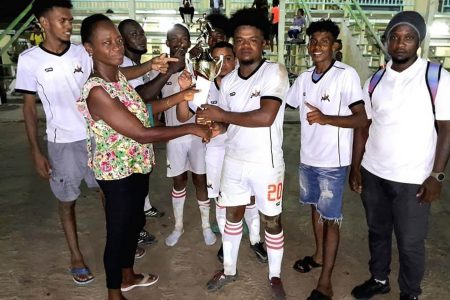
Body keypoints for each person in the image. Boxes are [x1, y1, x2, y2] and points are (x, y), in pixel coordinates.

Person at [15, 0, 172, 286]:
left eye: (70, 20)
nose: (68, 25)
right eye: (62, 20)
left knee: (111, 198)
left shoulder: (82, 52)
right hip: (62, 141)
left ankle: (120, 251)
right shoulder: (30, 60)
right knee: (67, 200)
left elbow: (117, 74)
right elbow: (27, 107)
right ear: (43, 22)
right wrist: (35, 150)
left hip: (98, 137)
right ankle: (77, 256)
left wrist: (151, 65)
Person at [78, 14, 209, 300]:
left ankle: (128, 275)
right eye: (106, 43)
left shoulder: (118, 77)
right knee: (119, 232)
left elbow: (146, 109)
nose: (115, 47)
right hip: (117, 174)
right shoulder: (98, 90)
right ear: (90, 48)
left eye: (117, 41)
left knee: (133, 224)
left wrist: (181, 96)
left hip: (136, 165)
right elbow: (142, 133)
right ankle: (115, 293)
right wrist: (191, 128)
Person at [349, 11, 450, 300]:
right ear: (387, 41)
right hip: (374, 172)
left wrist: (437, 176)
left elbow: (446, 130)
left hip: (413, 178)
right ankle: (379, 279)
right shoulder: (375, 80)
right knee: (377, 232)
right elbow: (363, 127)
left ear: (418, 41)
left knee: (410, 242)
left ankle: (410, 293)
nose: (400, 43)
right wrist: (356, 168)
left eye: (408, 38)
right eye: (395, 37)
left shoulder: (437, 78)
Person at [197, 8, 289, 299]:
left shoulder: (275, 71)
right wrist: (212, 126)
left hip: (266, 163)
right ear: (234, 45)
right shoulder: (229, 81)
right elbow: (228, 123)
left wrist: (221, 113)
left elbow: (266, 116)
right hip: (234, 160)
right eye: (240, 40)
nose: (245, 45)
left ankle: (274, 276)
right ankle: (230, 269)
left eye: (252, 40)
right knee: (232, 215)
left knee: (271, 220)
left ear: (264, 44)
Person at [286, 19, 367, 300]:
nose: (316, 46)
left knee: (331, 217)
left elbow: (361, 118)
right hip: (308, 158)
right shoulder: (306, 77)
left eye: (323, 41)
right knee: (314, 209)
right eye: (313, 41)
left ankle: (326, 281)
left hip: (334, 163)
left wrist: (325, 118)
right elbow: (285, 104)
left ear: (335, 45)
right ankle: (318, 256)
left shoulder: (346, 75)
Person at [177, 41, 268, 264]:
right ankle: (226, 241)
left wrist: (224, 125)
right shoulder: (203, 85)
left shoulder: (247, 84)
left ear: (235, 59)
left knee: (249, 197)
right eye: (216, 59)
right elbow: (183, 117)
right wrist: (183, 92)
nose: (222, 64)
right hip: (216, 152)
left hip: (245, 149)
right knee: (220, 197)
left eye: (227, 58)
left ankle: (256, 239)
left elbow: (255, 117)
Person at [162, 24, 216, 248]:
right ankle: (178, 226)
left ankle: (205, 226)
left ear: (189, 41)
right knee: (179, 180)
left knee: (200, 180)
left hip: (196, 135)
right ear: (167, 43)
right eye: (174, 39)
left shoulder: (198, 68)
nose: (180, 43)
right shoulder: (159, 70)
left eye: (184, 38)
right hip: (173, 136)